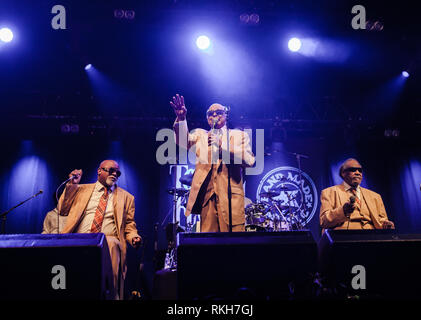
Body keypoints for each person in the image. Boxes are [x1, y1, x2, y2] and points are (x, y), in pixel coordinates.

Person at [58, 160, 141, 299]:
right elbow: (63, 209)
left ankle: (111, 296)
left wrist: (133, 236)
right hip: (81, 239)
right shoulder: (80, 189)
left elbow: (129, 224)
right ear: (99, 171)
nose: (115, 174)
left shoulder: (127, 198)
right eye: (111, 170)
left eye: (118, 173)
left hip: (109, 241)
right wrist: (72, 184)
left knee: (112, 244)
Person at [171, 94, 255, 232]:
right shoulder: (201, 135)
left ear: (226, 115)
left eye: (219, 112)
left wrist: (221, 144)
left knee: (234, 245)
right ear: (207, 118)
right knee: (209, 245)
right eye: (211, 113)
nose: (215, 114)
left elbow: (249, 160)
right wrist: (181, 118)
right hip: (207, 198)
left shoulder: (239, 135)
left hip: (231, 199)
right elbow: (182, 140)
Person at [320, 158, 395, 231]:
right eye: (353, 170)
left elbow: (382, 221)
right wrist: (343, 211)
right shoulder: (329, 192)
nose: (357, 173)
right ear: (343, 173)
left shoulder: (375, 196)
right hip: (343, 238)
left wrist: (386, 224)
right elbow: (324, 221)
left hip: (371, 238)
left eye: (360, 170)